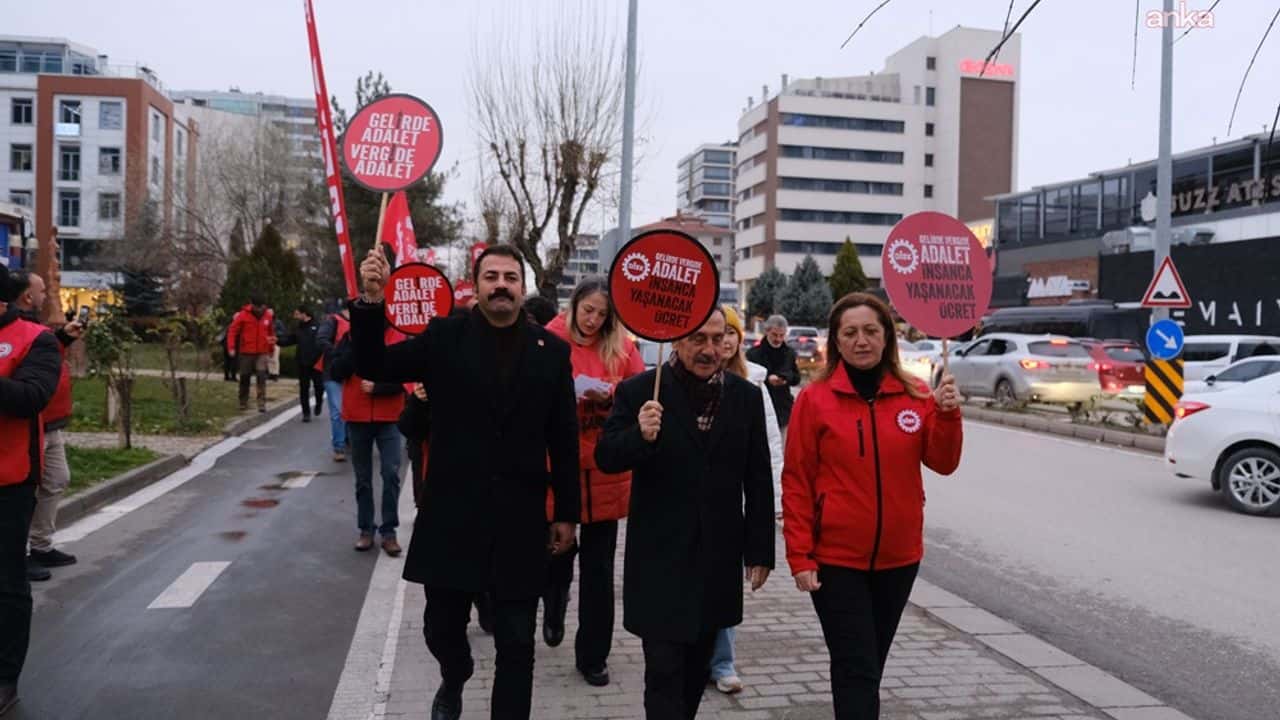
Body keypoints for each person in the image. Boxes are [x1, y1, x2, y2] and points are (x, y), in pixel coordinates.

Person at [351, 244, 579, 720]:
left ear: (523, 287)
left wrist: (567, 514)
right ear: (475, 286)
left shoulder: (552, 353)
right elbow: (373, 366)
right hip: (452, 517)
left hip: (520, 520)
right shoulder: (443, 338)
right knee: (441, 630)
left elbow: (563, 437)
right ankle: (454, 675)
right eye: (491, 276)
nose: (501, 284)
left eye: (511, 277)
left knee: (518, 646)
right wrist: (372, 300)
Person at [782, 292, 962, 719]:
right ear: (836, 341)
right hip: (835, 560)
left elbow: (943, 462)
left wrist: (948, 415)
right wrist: (799, 555)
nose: (861, 340)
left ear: (887, 338)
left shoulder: (916, 393)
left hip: (899, 559)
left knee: (869, 665)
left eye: (870, 331)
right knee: (857, 666)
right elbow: (797, 481)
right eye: (850, 332)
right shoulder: (815, 399)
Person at [596, 308, 775, 720]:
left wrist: (760, 551)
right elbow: (607, 457)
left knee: (696, 670)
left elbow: (758, 477)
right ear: (676, 341)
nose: (710, 349)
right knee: (662, 671)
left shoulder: (744, 397)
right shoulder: (641, 391)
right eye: (698, 339)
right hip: (659, 559)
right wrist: (639, 435)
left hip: (717, 558)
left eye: (718, 339)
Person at [541, 277, 645, 686]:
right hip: (560, 468)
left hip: (606, 469)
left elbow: (640, 391)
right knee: (555, 555)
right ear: (574, 305)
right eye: (588, 310)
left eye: (602, 314)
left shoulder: (622, 345)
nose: (593, 320)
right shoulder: (548, 339)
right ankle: (553, 605)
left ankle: (593, 656)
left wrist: (610, 390)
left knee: (599, 572)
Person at [708, 305, 785, 696]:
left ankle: (722, 661)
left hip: (736, 505)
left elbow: (769, 445)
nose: (723, 342)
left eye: (730, 334)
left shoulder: (753, 385)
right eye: (715, 335)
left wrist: (774, 501)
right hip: (701, 504)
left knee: (726, 584)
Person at [0, 265, 62, 716]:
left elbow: (31, 397)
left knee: (5, 582)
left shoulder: (34, 339)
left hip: (9, 479)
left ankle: (5, 678)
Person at [8, 272, 83, 582]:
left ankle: (40, 545)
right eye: (42, 290)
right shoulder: (19, 331)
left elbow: (46, 360)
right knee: (26, 488)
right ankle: (19, 553)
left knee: (56, 479)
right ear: (27, 295)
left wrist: (63, 338)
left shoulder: (38, 329)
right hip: (31, 424)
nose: (46, 294)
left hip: (52, 422)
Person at [328, 323, 405, 556]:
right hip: (358, 418)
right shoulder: (350, 337)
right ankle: (366, 530)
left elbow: (407, 376)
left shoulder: (398, 335)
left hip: (390, 417)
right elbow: (335, 371)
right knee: (363, 479)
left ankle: (389, 532)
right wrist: (356, 348)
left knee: (391, 474)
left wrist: (380, 387)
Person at [746, 314, 800, 431]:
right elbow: (747, 380)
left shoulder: (789, 353)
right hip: (760, 410)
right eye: (775, 335)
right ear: (767, 331)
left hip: (783, 410)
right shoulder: (753, 354)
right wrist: (767, 379)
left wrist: (785, 379)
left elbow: (797, 378)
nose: (778, 339)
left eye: (782, 335)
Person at [227, 296, 276, 413]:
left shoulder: (268, 316)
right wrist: (231, 347)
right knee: (245, 377)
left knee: (261, 375)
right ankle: (243, 401)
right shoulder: (243, 315)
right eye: (257, 307)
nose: (259, 309)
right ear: (252, 305)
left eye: (261, 307)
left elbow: (271, 333)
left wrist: (271, 349)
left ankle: (261, 403)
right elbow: (232, 331)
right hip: (246, 351)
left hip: (262, 351)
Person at [277, 305, 324, 423]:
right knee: (304, 388)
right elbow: (290, 340)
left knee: (319, 386)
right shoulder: (299, 328)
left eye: (297, 314)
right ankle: (306, 413)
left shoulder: (317, 326)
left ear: (305, 314)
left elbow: (323, 342)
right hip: (302, 362)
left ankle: (319, 403)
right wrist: (277, 341)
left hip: (316, 363)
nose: (295, 316)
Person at [316, 304, 351, 462]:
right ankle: (339, 446)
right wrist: (337, 353)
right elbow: (321, 339)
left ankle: (349, 439)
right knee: (338, 411)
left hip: (352, 374)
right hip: (332, 371)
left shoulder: (362, 321)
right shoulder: (333, 321)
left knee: (351, 410)